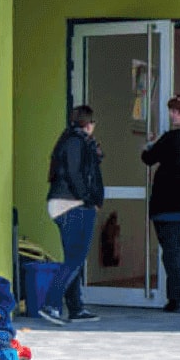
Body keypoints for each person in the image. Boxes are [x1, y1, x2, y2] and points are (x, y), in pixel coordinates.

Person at [142, 92, 180, 312]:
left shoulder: (171, 138)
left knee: (172, 253)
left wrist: (149, 145)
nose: (171, 115)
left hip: (166, 203)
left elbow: (148, 159)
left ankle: (177, 299)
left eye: (174, 111)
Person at [43, 105, 105, 325]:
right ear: (89, 123)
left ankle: (75, 307)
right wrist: (88, 199)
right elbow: (75, 173)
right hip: (73, 205)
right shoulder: (76, 142)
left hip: (65, 204)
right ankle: (51, 304)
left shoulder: (71, 140)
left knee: (73, 259)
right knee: (75, 259)